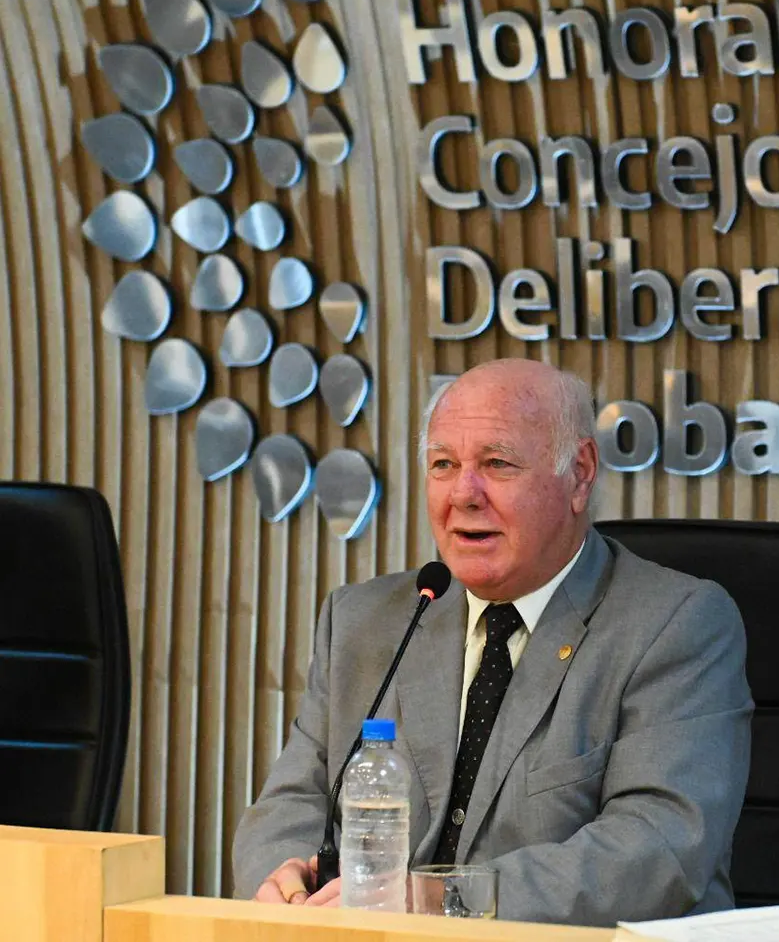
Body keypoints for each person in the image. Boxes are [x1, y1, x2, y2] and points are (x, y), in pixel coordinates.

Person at [232, 358, 752, 926]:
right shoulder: (365, 621)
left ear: (579, 474)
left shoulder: (676, 624)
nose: (463, 493)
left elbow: (657, 848)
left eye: (497, 464)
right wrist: (284, 880)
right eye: (443, 464)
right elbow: (291, 803)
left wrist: (439, 901)